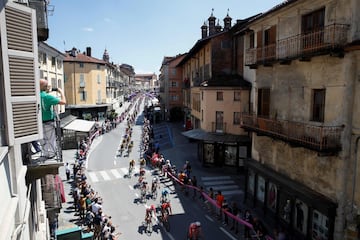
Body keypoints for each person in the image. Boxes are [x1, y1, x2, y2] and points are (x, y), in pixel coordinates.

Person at [39, 79, 66, 158]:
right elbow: (63, 102)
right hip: (48, 121)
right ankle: (51, 155)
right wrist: (61, 92)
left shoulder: (36, 95)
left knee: (42, 139)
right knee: (50, 139)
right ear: (45, 87)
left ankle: (44, 153)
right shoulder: (47, 97)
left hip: (38, 122)